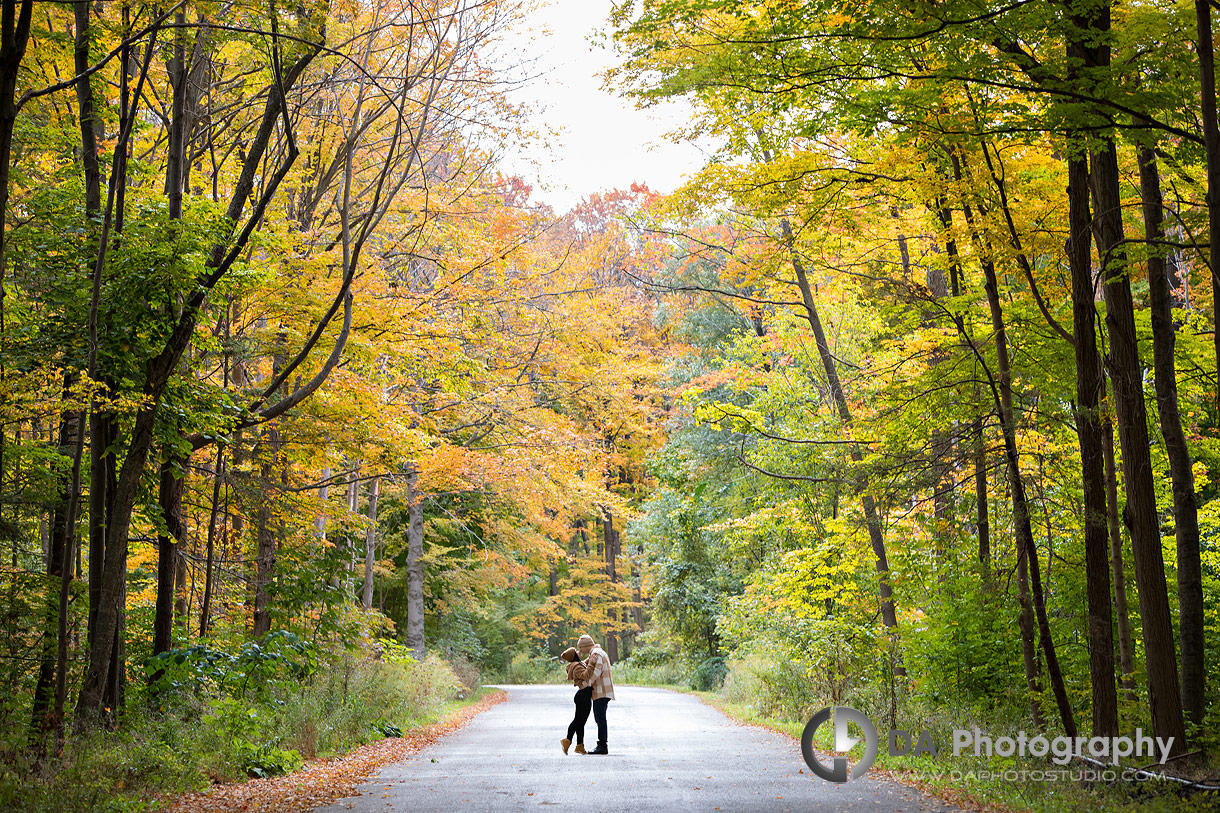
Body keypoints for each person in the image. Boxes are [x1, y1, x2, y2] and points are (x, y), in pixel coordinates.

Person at [575, 633, 614, 755]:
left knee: (600, 718)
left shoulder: (596, 655)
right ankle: (602, 744)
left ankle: (602, 745)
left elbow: (594, 675)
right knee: (600, 718)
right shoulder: (597, 652)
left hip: (601, 691)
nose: (580, 650)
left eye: (581, 647)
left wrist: (583, 685)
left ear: (586, 646)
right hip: (602, 691)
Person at [559, 647, 591, 755]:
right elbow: (586, 675)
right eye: (576, 651)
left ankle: (580, 746)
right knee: (578, 721)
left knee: (581, 722)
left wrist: (590, 658)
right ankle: (567, 740)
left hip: (583, 695)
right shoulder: (577, 667)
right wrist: (592, 664)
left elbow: (584, 664)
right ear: (574, 655)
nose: (579, 651)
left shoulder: (578, 664)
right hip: (583, 696)